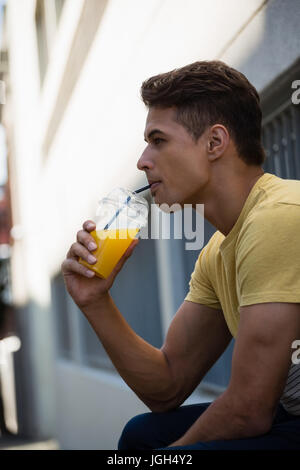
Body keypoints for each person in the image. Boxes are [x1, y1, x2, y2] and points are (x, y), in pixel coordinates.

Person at [61, 60, 300, 450]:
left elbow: (248, 410)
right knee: (142, 434)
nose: (142, 160)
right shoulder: (219, 250)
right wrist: (94, 301)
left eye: (158, 140)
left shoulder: (278, 217)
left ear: (215, 143)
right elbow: (167, 386)